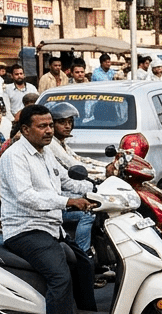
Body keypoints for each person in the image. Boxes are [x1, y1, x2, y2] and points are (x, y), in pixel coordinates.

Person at [0, 104, 98, 314]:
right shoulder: (14, 157)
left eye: (50, 125)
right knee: (60, 277)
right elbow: (26, 196)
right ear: (25, 129)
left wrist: (100, 184)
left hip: (50, 228)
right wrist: (69, 202)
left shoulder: (45, 154)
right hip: (25, 230)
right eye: (42, 126)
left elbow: (67, 181)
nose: (48, 130)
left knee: (85, 264)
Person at [46, 102, 116, 254]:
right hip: (55, 196)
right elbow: (71, 165)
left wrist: (106, 166)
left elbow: (79, 160)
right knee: (91, 211)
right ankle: (83, 253)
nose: (67, 126)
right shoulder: (50, 144)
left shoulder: (61, 143)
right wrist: (103, 174)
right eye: (62, 122)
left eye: (70, 122)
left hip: (64, 187)